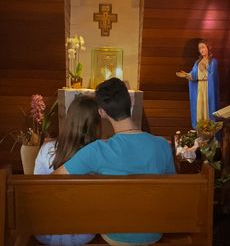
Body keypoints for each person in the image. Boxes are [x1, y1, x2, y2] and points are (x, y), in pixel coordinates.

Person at [53, 77, 176, 245]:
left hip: (116, 237)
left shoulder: (96, 150)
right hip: (154, 233)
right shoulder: (162, 145)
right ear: (130, 104)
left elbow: (53, 181)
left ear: (101, 112)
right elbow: (171, 192)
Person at [34, 94, 101, 246]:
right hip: (83, 233)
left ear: (69, 119)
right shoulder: (98, 155)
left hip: (46, 232)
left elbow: (36, 193)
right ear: (95, 124)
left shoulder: (47, 150)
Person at [176, 39, 219, 129]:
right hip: (200, 88)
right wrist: (186, 75)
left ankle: (209, 132)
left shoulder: (213, 61)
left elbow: (213, 77)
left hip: (208, 88)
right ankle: (200, 132)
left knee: (207, 109)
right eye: (200, 48)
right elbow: (194, 76)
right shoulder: (197, 62)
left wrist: (204, 69)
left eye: (203, 47)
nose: (201, 50)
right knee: (199, 109)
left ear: (208, 48)